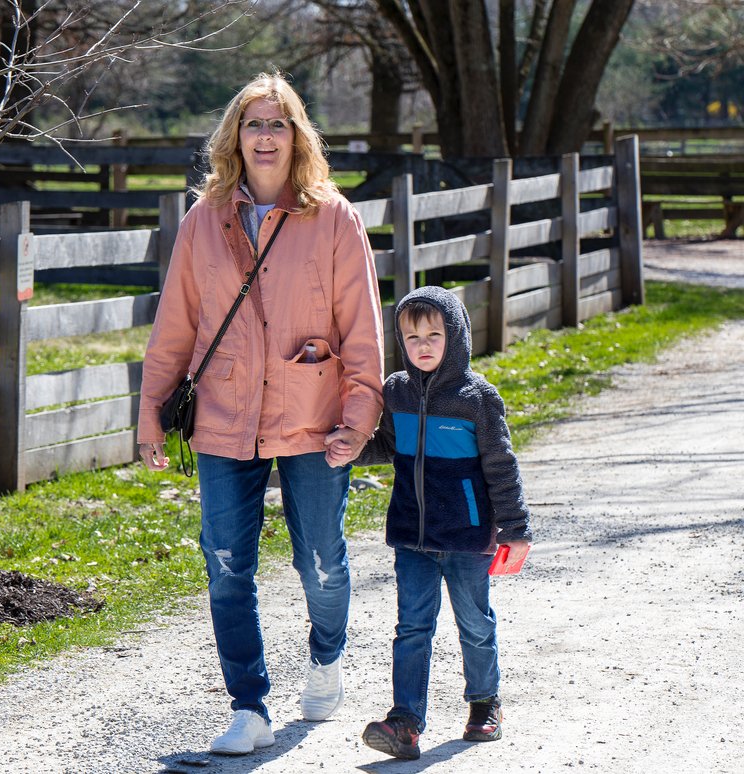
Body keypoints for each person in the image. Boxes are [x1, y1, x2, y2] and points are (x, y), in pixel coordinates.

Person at [137, 72, 384, 754]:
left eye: (278, 124)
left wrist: (359, 416)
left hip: (314, 415)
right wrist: (150, 415)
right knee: (225, 563)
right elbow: (175, 328)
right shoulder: (202, 221)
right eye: (253, 124)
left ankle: (326, 658)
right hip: (223, 414)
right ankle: (249, 707)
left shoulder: (334, 218)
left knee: (321, 560)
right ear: (234, 138)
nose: (266, 137)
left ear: (297, 135)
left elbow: (362, 327)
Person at [355, 285, 533, 760]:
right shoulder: (396, 391)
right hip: (412, 536)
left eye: (435, 334)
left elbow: (501, 465)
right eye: (413, 338)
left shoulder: (478, 399)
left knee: (474, 624)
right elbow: (387, 446)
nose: (424, 346)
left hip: (467, 538)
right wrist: (349, 448)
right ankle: (405, 723)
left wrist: (515, 529)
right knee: (412, 628)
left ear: (456, 336)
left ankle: (483, 704)